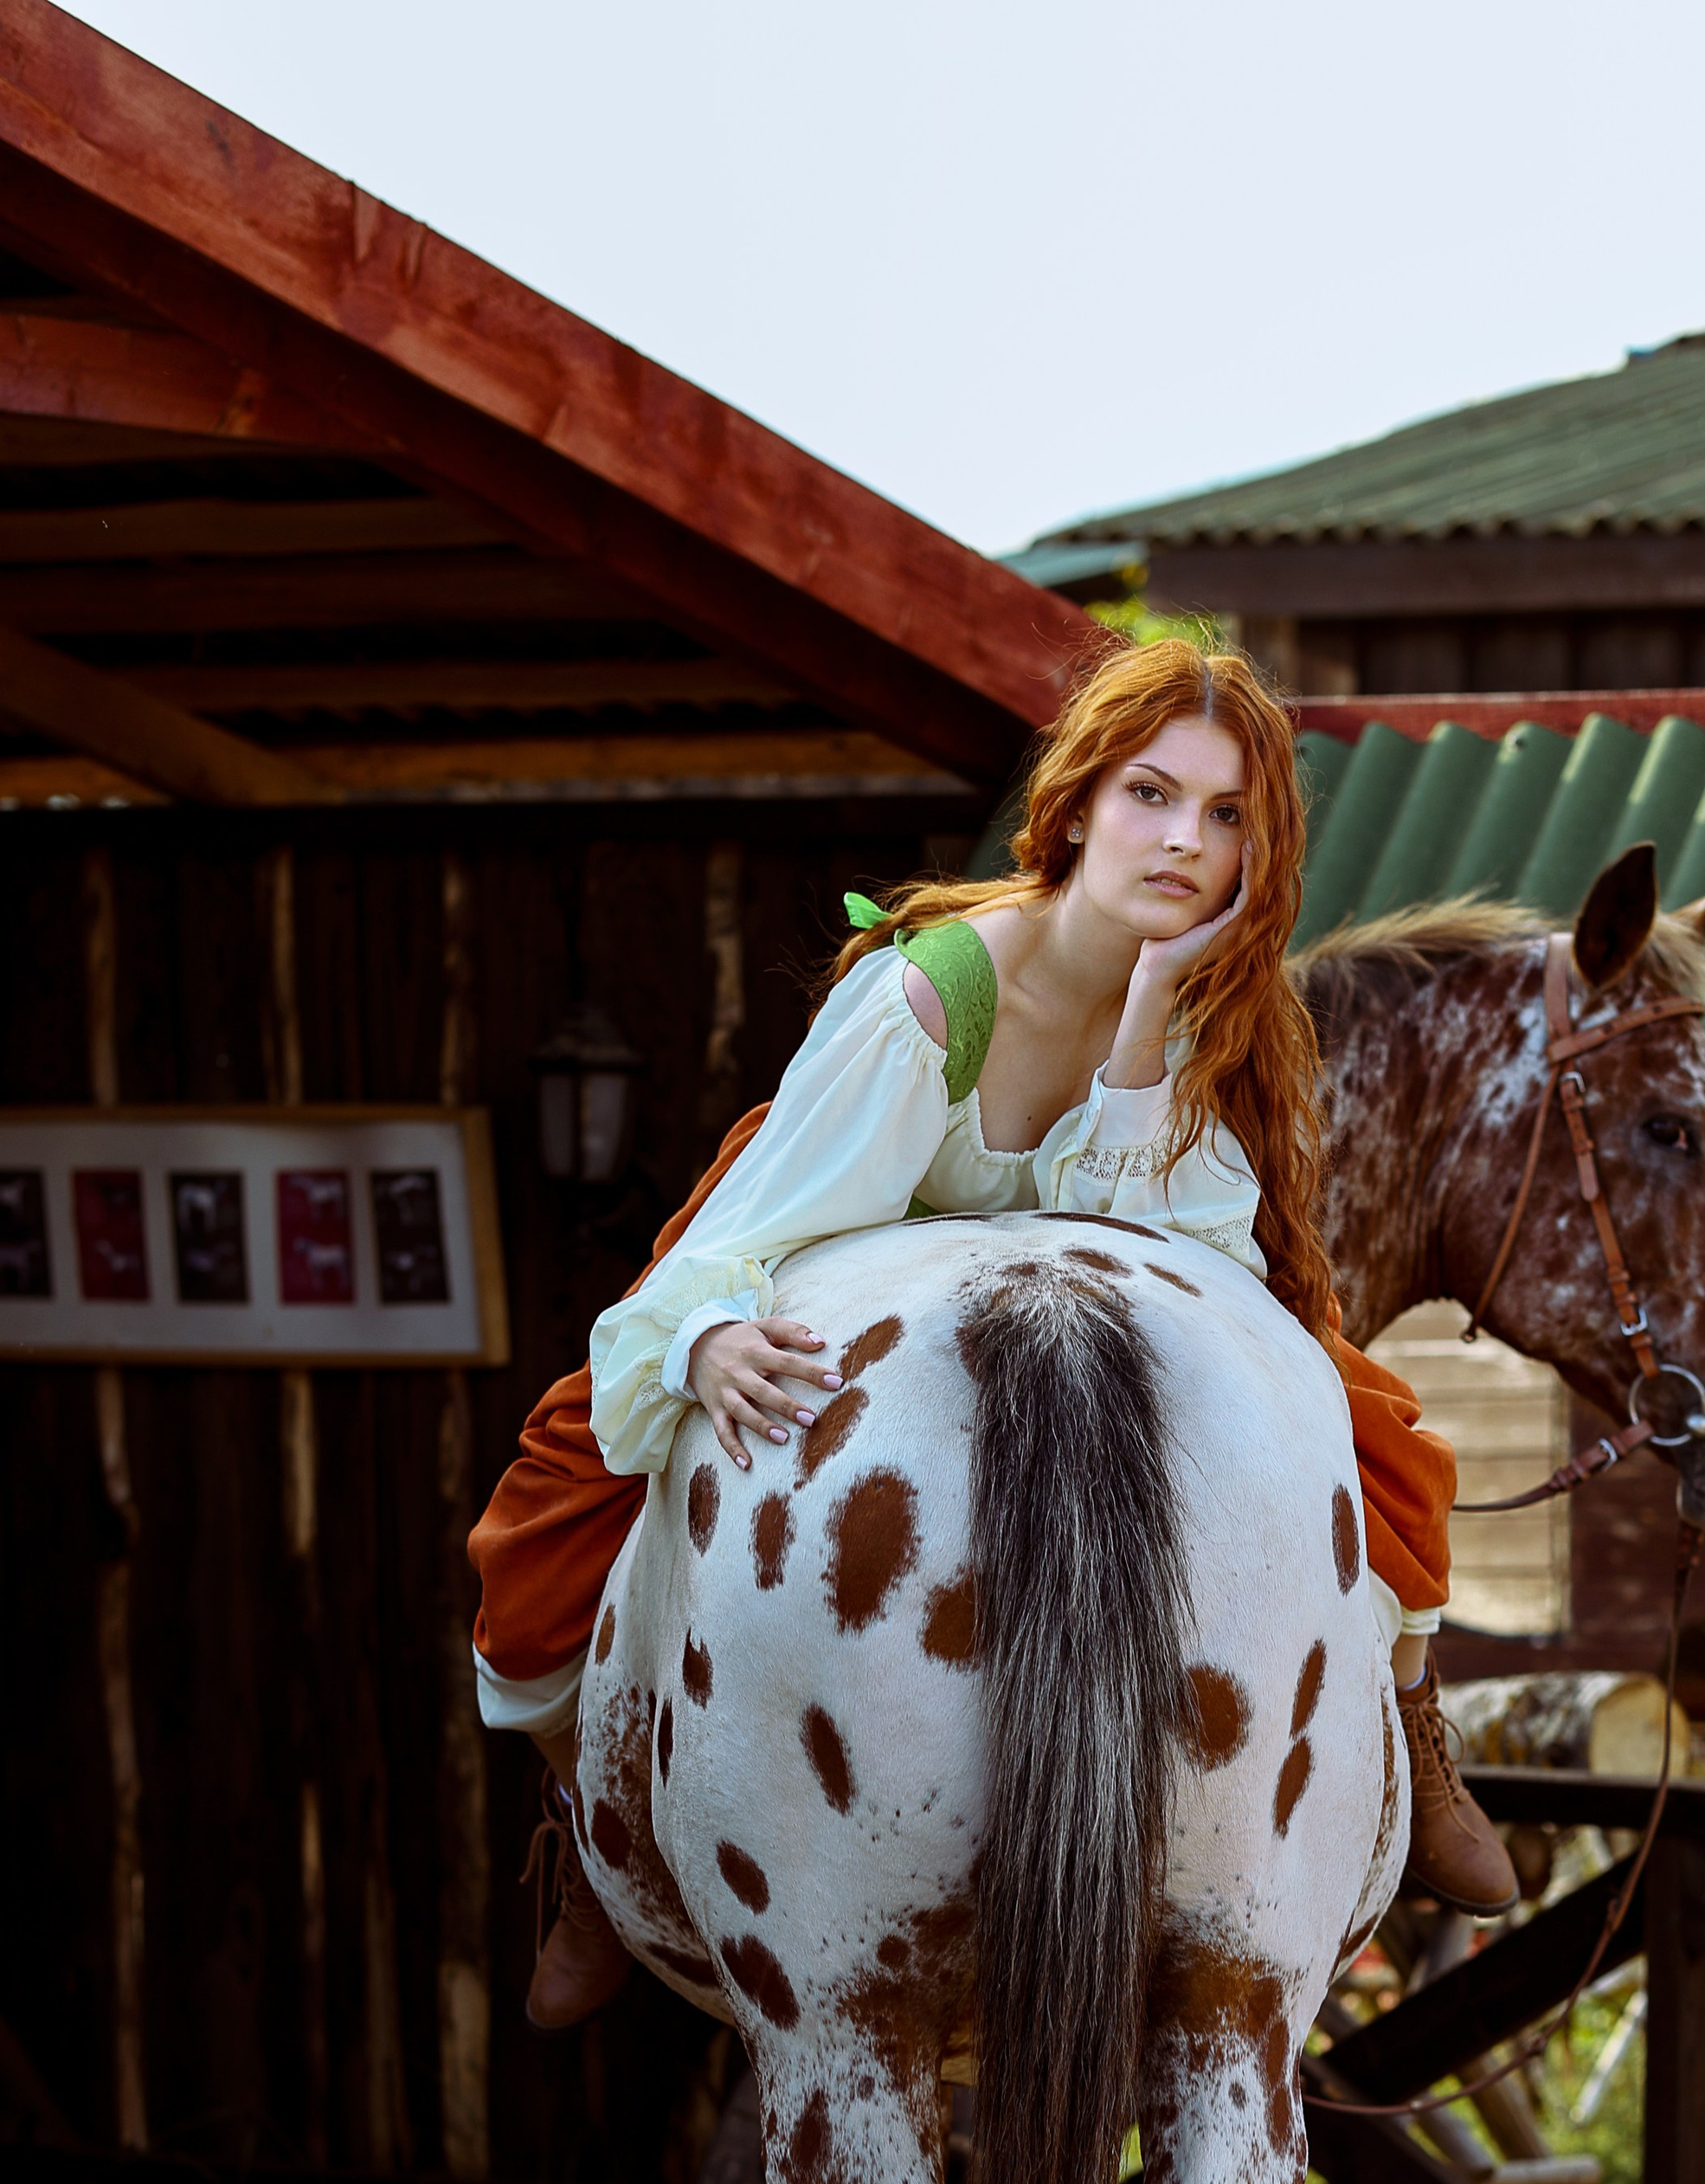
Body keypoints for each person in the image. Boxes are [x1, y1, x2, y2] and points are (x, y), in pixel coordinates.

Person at [471, 637, 1518, 2028]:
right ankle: (592, 1827)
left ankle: (1412, 1728)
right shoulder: (933, 999)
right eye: (1152, 793)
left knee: (1386, 1442)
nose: (1183, 843)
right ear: (1080, 800)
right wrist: (711, 1335)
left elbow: (1187, 1260)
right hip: (826, 1234)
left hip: (1110, 1279)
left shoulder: (1215, 1012)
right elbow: (761, 1229)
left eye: (1226, 818)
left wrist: (1146, 1030)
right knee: (544, 1525)